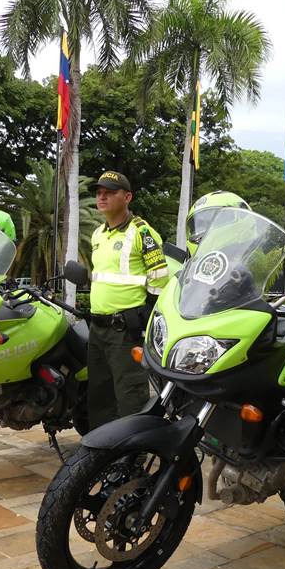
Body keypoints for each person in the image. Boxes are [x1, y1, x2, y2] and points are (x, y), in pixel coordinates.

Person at [87, 171, 169, 428]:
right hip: (97, 329)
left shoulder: (142, 233)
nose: (102, 197)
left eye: (110, 192)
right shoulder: (98, 234)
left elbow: (160, 279)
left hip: (124, 331)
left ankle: (132, 459)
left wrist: (145, 315)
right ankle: (99, 456)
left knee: (130, 397)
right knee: (100, 396)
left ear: (127, 197)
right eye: (99, 192)